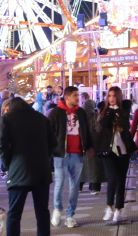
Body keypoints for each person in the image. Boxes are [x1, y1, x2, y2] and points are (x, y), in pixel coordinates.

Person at [0, 95, 53, 236]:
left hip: (18, 170)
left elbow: (1, 144)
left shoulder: (6, 118)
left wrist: (8, 163)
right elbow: (53, 143)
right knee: (42, 212)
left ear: (8, 107)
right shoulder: (41, 118)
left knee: (14, 213)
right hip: (41, 171)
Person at [48, 86, 92, 228]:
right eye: (74, 95)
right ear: (67, 97)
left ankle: (70, 215)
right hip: (61, 154)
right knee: (60, 183)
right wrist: (52, 150)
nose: (77, 97)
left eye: (78, 95)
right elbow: (50, 133)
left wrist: (89, 146)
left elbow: (87, 130)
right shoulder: (56, 112)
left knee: (75, 187)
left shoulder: (81, 112)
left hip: (78, 154)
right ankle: (57, 209)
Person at [94, 86, 135, 223]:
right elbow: (104, 123)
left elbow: (125, 125)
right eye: (109, 96)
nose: (111, 98)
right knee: (113, 176)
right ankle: (109, 206)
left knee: (121, 179)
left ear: (118, 96)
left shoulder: (125, 108)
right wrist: (111, 110)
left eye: (114, 96)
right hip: (107, 149)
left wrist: (117, 111)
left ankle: (118, 210)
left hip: (123, 148)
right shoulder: (103, 109)